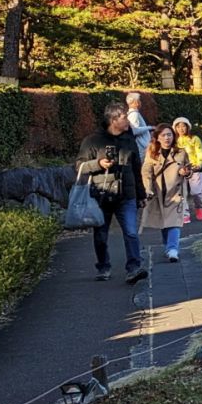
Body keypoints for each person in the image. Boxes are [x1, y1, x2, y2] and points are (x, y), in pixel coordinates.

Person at [75, 101, 148, 283]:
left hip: (126, 195)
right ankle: (103, 266)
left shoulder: (129, 139)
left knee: (131, 232)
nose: (129, 121)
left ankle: (134, 268)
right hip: (101, 195)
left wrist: (141, 194)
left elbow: (136, 168)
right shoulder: (92, 141)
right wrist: (98, 164)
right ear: (113, 119)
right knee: (101, 234)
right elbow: (78, 166)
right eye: (124, 117)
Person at [141, 123, 192, 263]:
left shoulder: (180, 153)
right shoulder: (151, 153)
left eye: (169, 134)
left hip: (176, 193)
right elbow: (146, 172)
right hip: (158, 193)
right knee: (163, 223)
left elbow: (188, 169)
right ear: (157, 138)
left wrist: (185, 172)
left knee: (174, 222)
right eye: (163, 135)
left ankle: (173, 249)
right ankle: (168, 247)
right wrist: (148, 188)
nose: (167, 138)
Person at [172, 117, 202, 222]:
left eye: (183, 126)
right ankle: (185, 213)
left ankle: (199, 207)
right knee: (181, 192)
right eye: (178, 126)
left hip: (194, 168)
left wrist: (199, 164)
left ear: (188, 127)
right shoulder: (174, 141)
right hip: (180, 169)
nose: (181, 129)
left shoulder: (194, 139)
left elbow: (200, 152)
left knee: (196, 192)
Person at [125, 91, 151, 162]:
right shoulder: (134, 114)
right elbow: (134, 131)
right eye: (139, 100)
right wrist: (149, 127)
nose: (140, 102)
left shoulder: (133, 113)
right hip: (142, 148)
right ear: (135, 102)